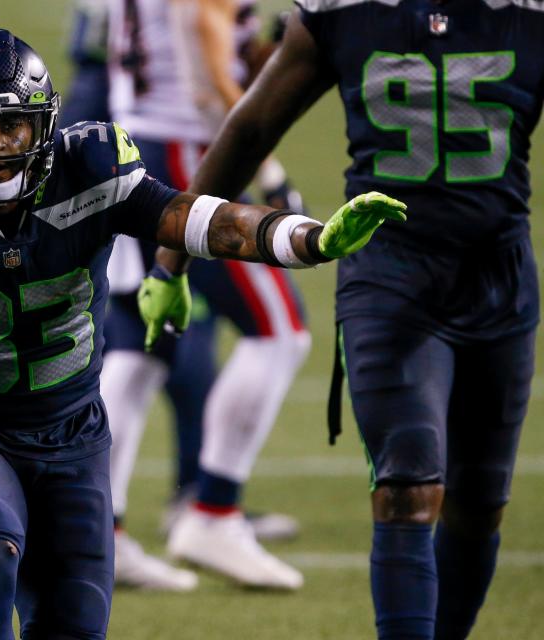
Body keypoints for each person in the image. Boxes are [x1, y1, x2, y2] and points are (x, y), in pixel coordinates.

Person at [0, 26, 405, 639]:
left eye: (12, 126)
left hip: (73, 434)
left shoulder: (88, 169)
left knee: (73, 622)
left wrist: (304, 238)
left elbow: (196, 218)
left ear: (41, 125)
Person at [147, 2, 542, 638]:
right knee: (407, 489)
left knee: (478, 509)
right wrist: (172, 259)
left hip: (497, 282)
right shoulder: (343, 12)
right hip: (391, 278)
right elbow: (252, 126)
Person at [102, 0, 311, 590]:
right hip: (188, 149)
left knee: (142, 346)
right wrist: (270, 171)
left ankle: (98, 532)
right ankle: (213, 511)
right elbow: (203, 44)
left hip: (137, 141)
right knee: (280, 332)